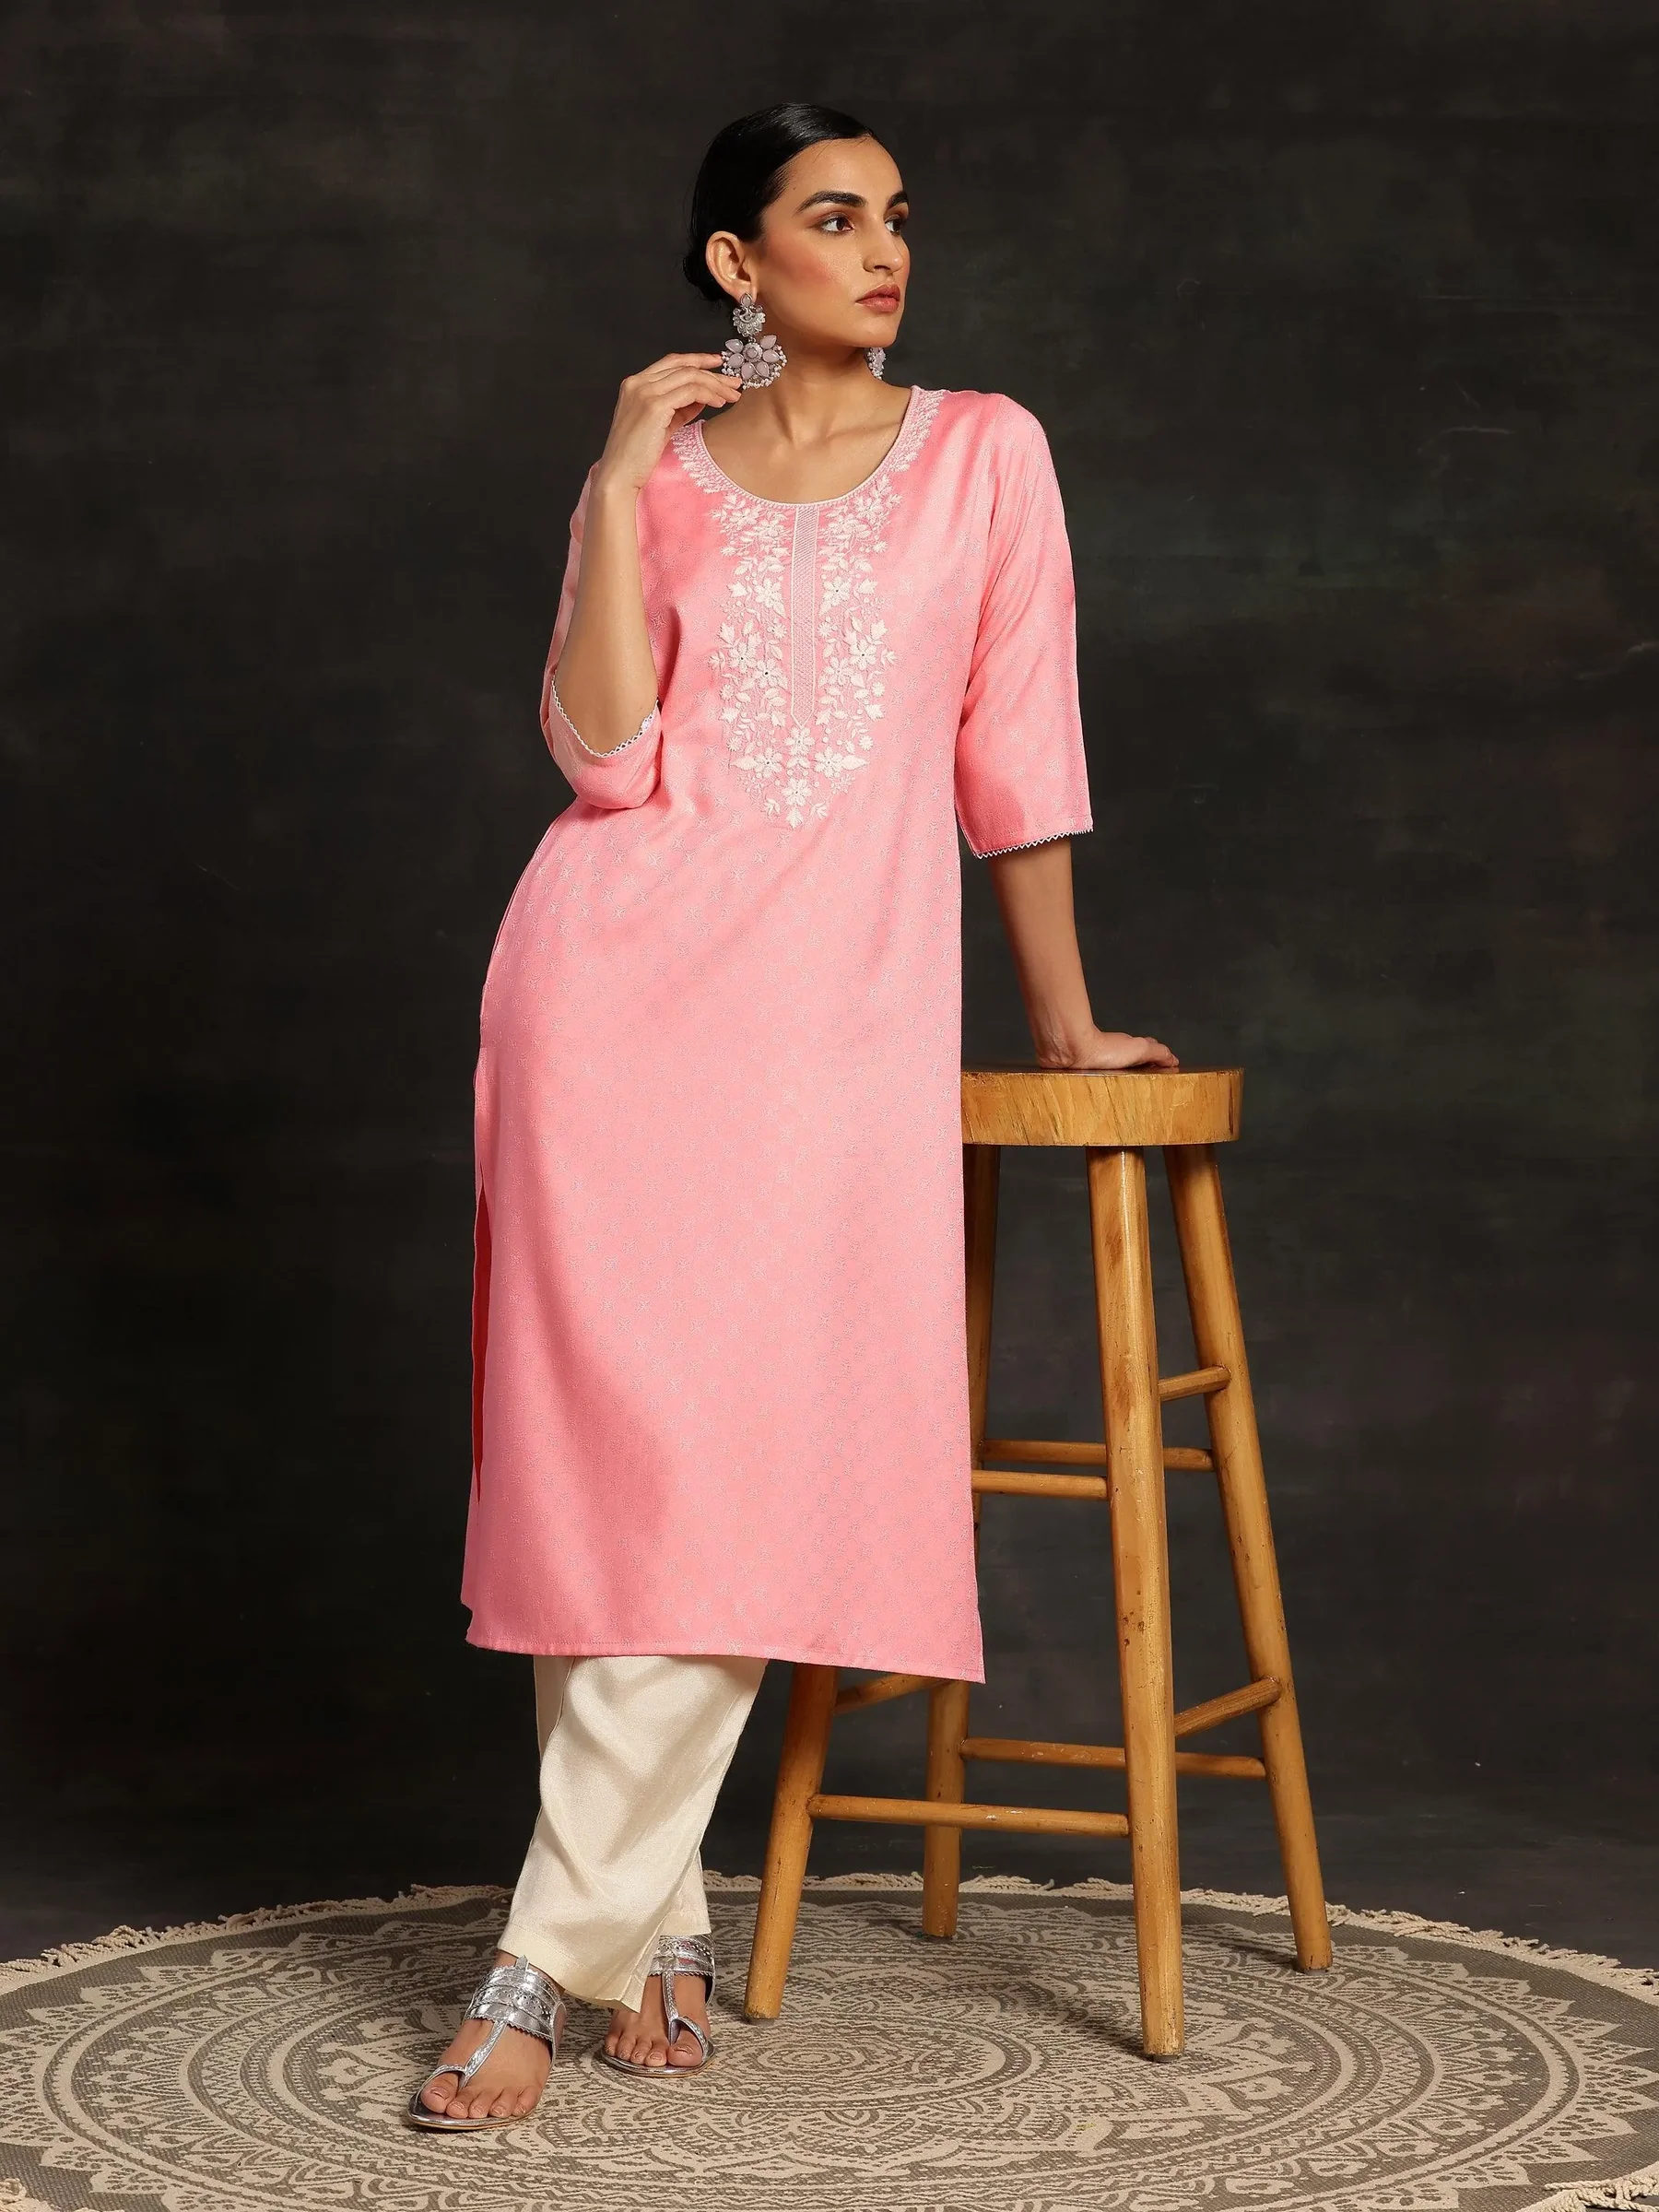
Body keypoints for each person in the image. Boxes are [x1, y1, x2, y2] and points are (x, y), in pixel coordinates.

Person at [407, 100, 1176, 2129]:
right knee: (611, 1462)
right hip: (606, 998)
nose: (884, 248)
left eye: (897, 215)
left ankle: (544, 1951)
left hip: (830, 1028)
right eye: (834, 218)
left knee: (734, 1459)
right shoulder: (657, 479)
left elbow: (1020, 751)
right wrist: (610, 486)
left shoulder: (986, 453)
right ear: (738, 264)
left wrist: (1064, 1019)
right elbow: (599, 753)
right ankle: (645, 1928)